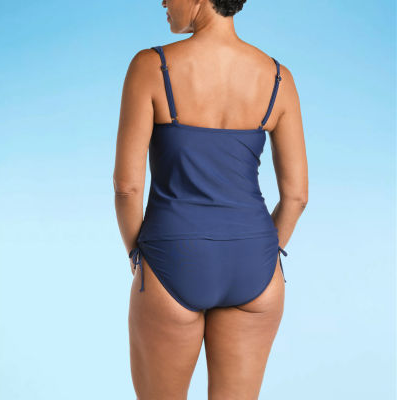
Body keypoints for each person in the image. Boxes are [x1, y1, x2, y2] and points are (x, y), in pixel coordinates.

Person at [113, 0, 308, 398]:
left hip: (173, 256)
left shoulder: (151, 67)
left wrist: (139, 256)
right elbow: (297, 195)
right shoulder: (278, 78)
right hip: (255, 262)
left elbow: (127, 188)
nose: (163, 1)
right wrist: (264, 254)